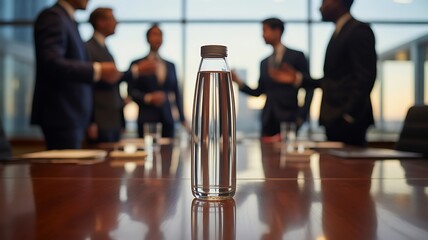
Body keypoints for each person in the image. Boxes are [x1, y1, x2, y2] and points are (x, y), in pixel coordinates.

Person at [276, 0, 377, 146]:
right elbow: (333, 79)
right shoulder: (340, 31)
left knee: (351, 167)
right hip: (334, 118)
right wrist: (298, 78)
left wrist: (348, 115)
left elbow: (365, 77)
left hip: (348, 121)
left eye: (324, 2)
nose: (319, 7)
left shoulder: (359, 30)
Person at [31, 0, 122, 149]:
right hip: (62, 113)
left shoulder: (68, 20)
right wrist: (97, 70)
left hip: (71, 115)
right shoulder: (53, 17)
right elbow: (51, 62)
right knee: (65, 170)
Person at [232, 18, 313, 140]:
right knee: (267, 157)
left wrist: (301, 117)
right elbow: (259, 92)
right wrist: (238, 82)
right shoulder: (264, 63)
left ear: (277, 31)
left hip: (289, 119)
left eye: (265, 30)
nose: (262, 35)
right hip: (268, 120)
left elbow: (309, 87)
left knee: (286, 155)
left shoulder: (297, 56)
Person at [128, 24, 188, 139]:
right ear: (147, 38)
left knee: (168, 153)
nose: (157, 38)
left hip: (167, 119)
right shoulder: (137, 64)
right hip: (146, 119)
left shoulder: (171, 66)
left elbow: (176, 93)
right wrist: (149, 98)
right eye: (154, 35)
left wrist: (182, 118)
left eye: (160, 35)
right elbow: (131, 91)